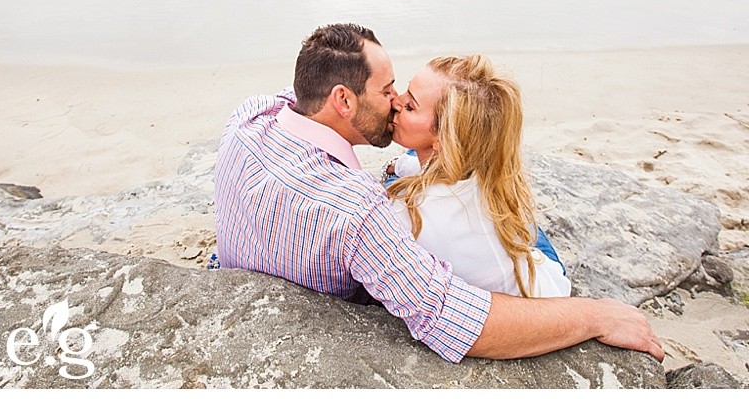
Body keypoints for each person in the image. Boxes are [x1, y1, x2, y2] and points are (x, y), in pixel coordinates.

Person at [214, 23, 664, 363]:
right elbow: (455, 318)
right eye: (389, 91)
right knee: (506, 215)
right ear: (344, 101)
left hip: (246, 263)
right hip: (511, 259)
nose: (394, 101)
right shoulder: (358, 214)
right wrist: (598, 315)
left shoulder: (251, 115)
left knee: (488, 205)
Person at [384, 54, 570, 298]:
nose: (396, 101)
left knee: (400, 174)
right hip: (523, 260)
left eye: (410, 106)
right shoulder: (485, 172)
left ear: (445, 136)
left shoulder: (407, 213)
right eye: (407, 91)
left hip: (546, 287)